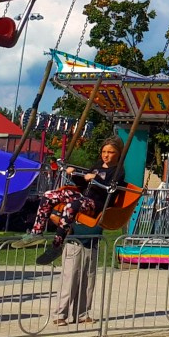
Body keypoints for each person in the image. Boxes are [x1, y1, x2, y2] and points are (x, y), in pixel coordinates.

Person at [13, 137, 126, 266]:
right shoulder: (97, 166)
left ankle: (57, 244)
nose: (106, 155)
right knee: (49, 195)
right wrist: (74, 174)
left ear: (119, 154)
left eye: (111, 152)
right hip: (83, 196)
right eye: (104, 152)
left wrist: (96, 178)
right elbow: (83, 184)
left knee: (71, 206)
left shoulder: (118, 171)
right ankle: (37, 232)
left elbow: (110, 189)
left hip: (97, 204)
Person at [53, 226, 101, 325]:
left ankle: (82, 314)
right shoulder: (73, 210)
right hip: (74, 245)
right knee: (69, 282)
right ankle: (59, 315)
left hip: (92, 246)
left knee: (88, 284)